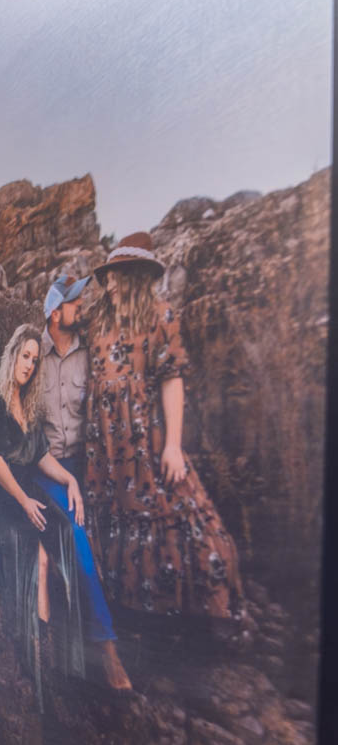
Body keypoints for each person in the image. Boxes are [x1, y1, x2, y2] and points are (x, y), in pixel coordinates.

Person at [84, 232, 244, 621]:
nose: (109, 284)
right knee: (119, 513)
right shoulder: (98, 320)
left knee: (170, 503)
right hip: (106, 444)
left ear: (135, 276)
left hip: (145, 437)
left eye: (116, 276)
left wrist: (173, 445)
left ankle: (194, 612)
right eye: (107, 277)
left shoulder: (160, 315)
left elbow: (172, 379)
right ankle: (136, 614)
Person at [0, 275, 131, 690]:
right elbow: (7, 423)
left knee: (120, 531)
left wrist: (81, 479)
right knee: (75, 537)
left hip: (85, 464)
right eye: (73, 301)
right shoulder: (34, 359)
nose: (81, 306)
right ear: (54, 311)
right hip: (45, 470)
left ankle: (131, 627)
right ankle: (104, 649)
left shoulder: (89, 352)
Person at [0, 324, 93, 709]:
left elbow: (41, 458)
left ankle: (69, 656)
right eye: (24, 356)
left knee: (63, 529)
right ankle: (36, 649)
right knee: (35, 552)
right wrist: (25, 502)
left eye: (34, 359)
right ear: (12, 357)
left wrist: (70, 480)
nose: (28, 364)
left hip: (24, 492)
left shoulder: (28, 408)